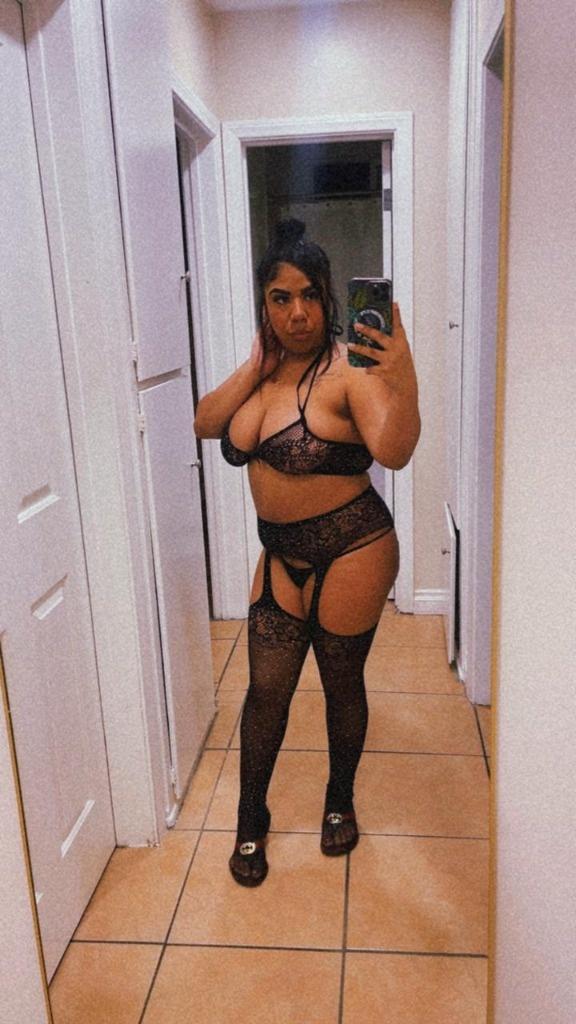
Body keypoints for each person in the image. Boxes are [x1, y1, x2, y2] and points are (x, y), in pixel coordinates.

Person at [194, 219, 420, 887]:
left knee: (340, 684)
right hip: (279, 556)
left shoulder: (348, 372)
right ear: (264, 305)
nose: (297, 313)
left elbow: (394, 451)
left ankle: (338, 799)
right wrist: (254, 365)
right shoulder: (260, 377)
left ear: (328, 298)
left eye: (310, 296)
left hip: (353, 546)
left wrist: (403, 376)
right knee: (266, 691)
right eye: (280, 298)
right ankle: (251, 815)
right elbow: (206, 421)